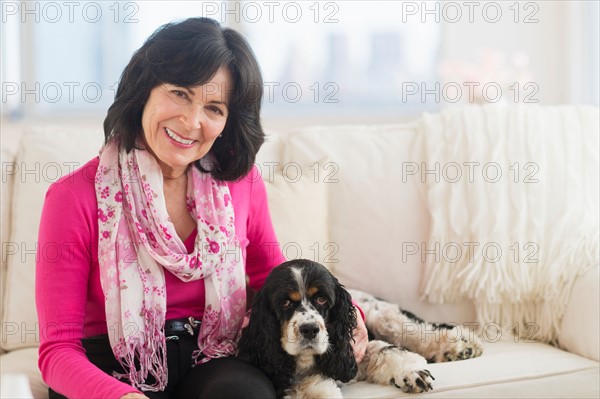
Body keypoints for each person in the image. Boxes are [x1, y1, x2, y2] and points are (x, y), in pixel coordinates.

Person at [35, 17, 367, 399]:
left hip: (212, 355)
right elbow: (57, 351)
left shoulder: (241, 184)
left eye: (213, 107)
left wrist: (349, 310)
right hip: (110, 367)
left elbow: (274, 279)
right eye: (179, 93)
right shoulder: (73, 197)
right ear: (144, 89)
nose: (191, 121)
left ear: (227, 123)